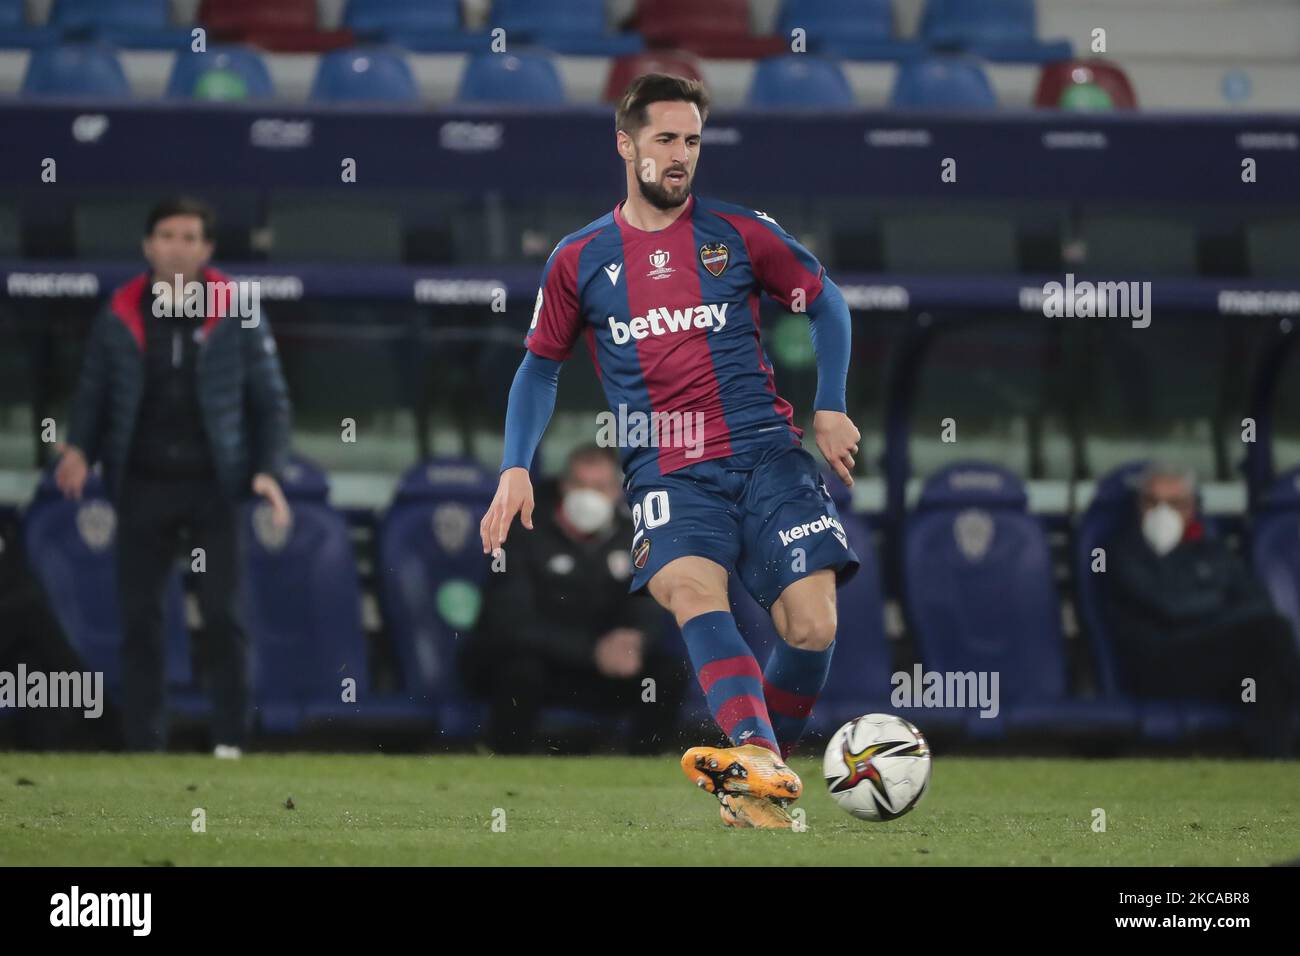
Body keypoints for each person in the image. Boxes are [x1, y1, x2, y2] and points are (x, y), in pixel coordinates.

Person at [479, 75, 860, 827]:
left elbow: (826, 300)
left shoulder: (740, 233)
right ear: (626, 144)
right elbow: (539, 366)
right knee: (690, 588)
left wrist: (832, 405)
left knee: (813, 625)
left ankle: (754, 775)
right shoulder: (579, 257)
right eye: (665, 139)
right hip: (667, 461)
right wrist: (515, 464)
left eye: (691, 140)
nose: (681, 155)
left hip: (763, 448)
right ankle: (754, 751)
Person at [53, 196, 292, 757]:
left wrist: (266, 471)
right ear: (147, 245)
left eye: (189, 236)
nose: (177, 246)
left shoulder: (238, 309)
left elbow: (271, 403)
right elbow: (94, 392)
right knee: (140, 619)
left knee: (223, 615)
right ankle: (145, 744)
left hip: (216, 483)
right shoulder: (121, 310)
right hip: (142, 482)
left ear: (207, 248)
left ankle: (231, 743)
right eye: (166, 235)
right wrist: (79, 448)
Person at [462, 444, 684, 754]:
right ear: (564, 486)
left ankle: (643, 764)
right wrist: (591, 651)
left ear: (617, 492)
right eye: (582, 486)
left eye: (600, 487)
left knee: (667, 673)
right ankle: (505, 760)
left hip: (604, 672)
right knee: (519, 672)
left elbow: (649, 600)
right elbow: (511, 623)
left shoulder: (634, 537)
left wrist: (634, 639)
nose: (590, 496)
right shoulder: (523, 532)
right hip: (544, 667)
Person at [1105, 463, 1300, 756]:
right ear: (1138, 505)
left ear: (1192, 507)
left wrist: (1213, 606)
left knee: (1267, 663)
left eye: (1174, 503)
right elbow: (1170, 607)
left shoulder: (1212, 550)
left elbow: (1258, 600)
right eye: (1152, 502)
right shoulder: (1119, 552)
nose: (1162, 512)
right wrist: (1221, 600)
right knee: (1269, 634)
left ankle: (1273, 762)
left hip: (1216, 664)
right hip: (1157, 666)